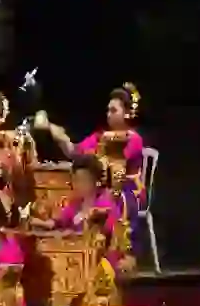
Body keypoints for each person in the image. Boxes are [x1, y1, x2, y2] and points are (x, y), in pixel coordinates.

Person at [43, 82, 146, 211]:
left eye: (114, 111)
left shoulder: (133, 139)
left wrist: (91, 159)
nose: (108, 114)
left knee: (95, 201)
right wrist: (61, 138)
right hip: (102, 190)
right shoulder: (100, 136)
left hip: (125, 193)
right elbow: (75, 152)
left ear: (127, 113)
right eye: (108, 110)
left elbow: (113, 165)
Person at [32, 155, 121, 234]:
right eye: (76, 180)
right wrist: (40, 223)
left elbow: (110, 231)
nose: (78, 184)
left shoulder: (105, 205)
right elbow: (60, 223)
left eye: (83, 180)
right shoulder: (75, 203)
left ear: (96, 181)